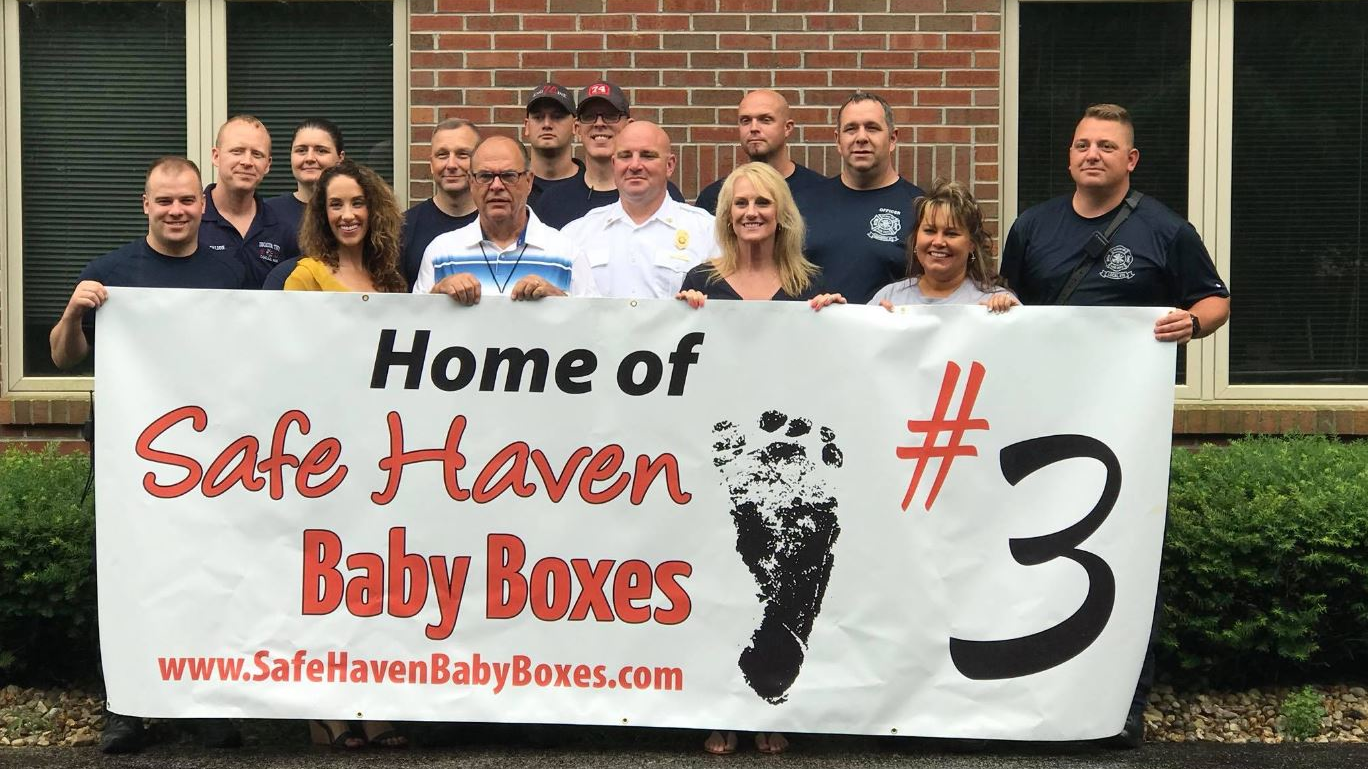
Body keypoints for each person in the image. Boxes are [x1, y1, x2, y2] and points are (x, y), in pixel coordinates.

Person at [999, 103, 1230, 749]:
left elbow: (1215, 298)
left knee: (1121, 558)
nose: (1091, 153)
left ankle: (1122, 705)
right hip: (1039, 426)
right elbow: (1008, 303)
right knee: (1036, 554)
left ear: (1131, 159)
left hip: (1125, 431)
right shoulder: (1033, 226)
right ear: (1069, 156)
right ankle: (1037, 696)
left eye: (1106, 145)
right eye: (1081, 144)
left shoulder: (1164, 230)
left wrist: (1197, 322)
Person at [49, 156, 252, 754]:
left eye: (187, 201)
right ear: (145, 205)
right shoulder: (110, 272)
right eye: (164, 201)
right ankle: (126, 707)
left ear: (201, 204)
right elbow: (64, 357)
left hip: (216, 456)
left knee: (211, 574)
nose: (176, 211)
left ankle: (207, 706)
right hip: (130, 456)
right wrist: (73, 312)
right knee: (130, 575)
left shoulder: (229, 268)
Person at [283, 160, 408, 748]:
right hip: (325, 450)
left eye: (357, 203)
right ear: (320, 214)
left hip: (381, 456)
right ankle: (325, 708)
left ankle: (375, 703)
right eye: (335, 205)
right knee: (323, 584)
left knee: (373, 584)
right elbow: (291, 359)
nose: (347, 215)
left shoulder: (391, 282)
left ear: (374, 208)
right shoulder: (307, 276)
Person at [415, 135, 595, 302]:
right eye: (485, 176)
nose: (496, 186)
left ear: (529, 181)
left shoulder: (566, 252)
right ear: (471, 182)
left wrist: (559, 301)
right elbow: (416, 326)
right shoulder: (441, 253)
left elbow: (594, 327)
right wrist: (436, 296)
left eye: (509, 176)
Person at [810, 180, 1018, 313]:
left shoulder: (995, 301)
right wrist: (834, 317)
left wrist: (1014, 318)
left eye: (951, 233)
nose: (938, 242)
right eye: (929, 230)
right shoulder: (888, 298)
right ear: (916, 238)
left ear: (971, 244)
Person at [561, 121, 716, 298]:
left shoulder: (707, 232)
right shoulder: (576, 235)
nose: (634, 165)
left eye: (647, 155)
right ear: (614, 164)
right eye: (625, 156)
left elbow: (724, 308)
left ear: (670, 165)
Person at [801, 92, 924, 305]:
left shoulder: (921, 208)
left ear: (893, 138)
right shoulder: (803, 204)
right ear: (838, 140)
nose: (861, 137)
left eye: (872, 128)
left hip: (891, 335)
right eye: (851, 129)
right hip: (815, 333)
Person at [531, 81, 685, 229]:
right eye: (590, 116)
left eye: (610, 115)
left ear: (628, 125)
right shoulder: (553, 200)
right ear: (577, 128)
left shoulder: (660, 192)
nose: (599, 124)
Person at [692, 90, 826, 215]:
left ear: (787, 128)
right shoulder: (715, 197)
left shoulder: (820, 193)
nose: (754, 128)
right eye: (746, 121)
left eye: (765, 120)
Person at [199, 115, 297, 286]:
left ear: (268, 164)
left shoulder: (282, 231)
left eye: (257, 154)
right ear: (216, 156)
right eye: (237, 151)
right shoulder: (191, 220)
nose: (247, 162)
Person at [398, 118, 482, 290]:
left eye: (462, 155)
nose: (451, 165)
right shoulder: (402, 229)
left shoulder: (498, 225)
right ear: (431, 164)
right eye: (442, 155)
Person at [261, 119, 346, 289]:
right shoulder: (267, 212)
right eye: (301, 150)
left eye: (321, 151)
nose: (309, 158)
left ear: (340, 158)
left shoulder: (349, 217)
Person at [523, 82, 584, 205]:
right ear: (527, 126)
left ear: (575, 126)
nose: (547, 125)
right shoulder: (512, 186)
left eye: (557, 117)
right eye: (538, 117)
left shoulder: (591, 186)